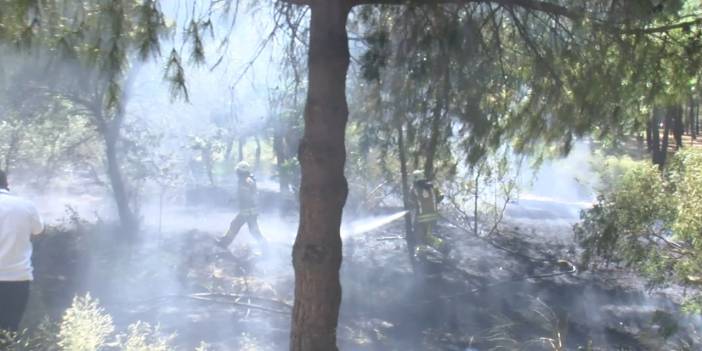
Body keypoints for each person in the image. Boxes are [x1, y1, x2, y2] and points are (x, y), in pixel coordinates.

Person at [0, 170, 43, 332]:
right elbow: (38, 230)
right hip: (18, 278)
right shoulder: (26, 206)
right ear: (7, 184)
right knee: (9, 331)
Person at [217, 161, 267, 249]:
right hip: (250, 211)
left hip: (247, 211)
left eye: (238, 171)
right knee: (250, 229)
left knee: (239, 227)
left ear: (241, 172)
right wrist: (234, 199)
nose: (237, 173)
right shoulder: (248, 179)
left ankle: (223, 244)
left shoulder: (245, 181)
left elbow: (245, 195)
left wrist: (236, 200)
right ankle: (265, 247)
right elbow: (248, 194)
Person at [409, 170, 444, 259]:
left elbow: (411, 202)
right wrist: (433, 203)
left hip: (421, 217)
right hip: (433, 216)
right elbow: (441, 196)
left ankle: (421, 253)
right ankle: (442, 246)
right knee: (427, 235)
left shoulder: (414, 189)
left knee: (419, 235)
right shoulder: (432, 187)